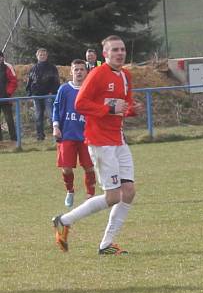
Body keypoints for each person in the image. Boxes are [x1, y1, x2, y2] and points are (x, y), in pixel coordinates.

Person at [52, 35, 142, 255]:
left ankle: (106, 243)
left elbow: (124, 105)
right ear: (105, 54)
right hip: (100, 142)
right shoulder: (97, 74)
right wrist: (109, 108)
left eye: (122, 49)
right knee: (113, 197)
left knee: (128, 191)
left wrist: (131, 110)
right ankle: (63, 220)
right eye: (114, 50)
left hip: (118, 139)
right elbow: (80, 103)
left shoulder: (126, 76)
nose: (120, 53)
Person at [52, 59, 97, 207]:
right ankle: (70, 191)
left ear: (87, 71)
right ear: (71, 72)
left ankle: (90, 194)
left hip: (87, 135)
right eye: (76, 69)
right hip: (67, 134)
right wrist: (56, 126)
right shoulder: (64, 89)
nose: (79, 72)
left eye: (81, 69)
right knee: (66, 167)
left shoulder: (91, 89)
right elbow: (56, 108)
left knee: (89, 166)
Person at [25, 48, 61, 140]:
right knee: (38, 116)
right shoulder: (33, 68)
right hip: (36, 96)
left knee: (51, 115)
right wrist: (29, 93)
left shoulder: (52, 68)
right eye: (40, 55)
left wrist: (53, 92)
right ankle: (40, 136)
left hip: (48, 95)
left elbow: (56, 81)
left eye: (44, 54)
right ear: (37, 56)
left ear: (47, 56)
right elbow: (29, 82)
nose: (42, 56)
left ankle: (56, 134)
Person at [0, 50, 17, 143]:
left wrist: (8, 93)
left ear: (2, 57)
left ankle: (14, 139)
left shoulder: (8, 67)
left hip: (6, 98)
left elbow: (14, 82)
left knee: (9, 119)